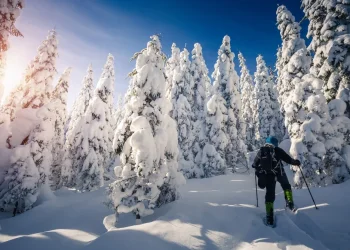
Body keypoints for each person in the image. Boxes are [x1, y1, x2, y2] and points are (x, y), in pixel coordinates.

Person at [252, 136, 301, 226]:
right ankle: (290, 203)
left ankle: (269, 215)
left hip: (268, 175)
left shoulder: (262, 151)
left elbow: (254, 164)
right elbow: (288, 160)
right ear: (275, 143)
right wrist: (296, 162)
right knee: (286, 186)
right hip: (279, 173)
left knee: (270, 194)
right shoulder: (277, 150)